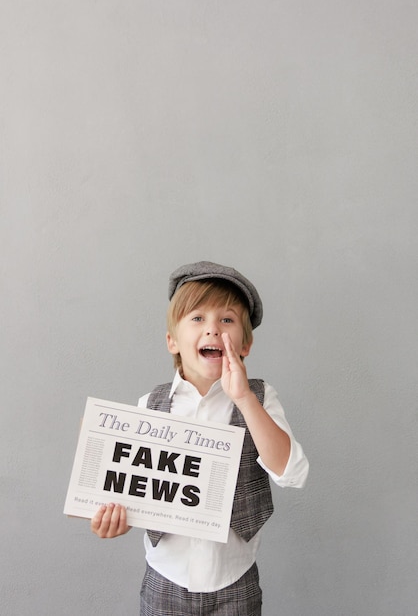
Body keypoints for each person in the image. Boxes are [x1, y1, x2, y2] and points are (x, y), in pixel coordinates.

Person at [91, 261, 309, 615]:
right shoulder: (151, 406)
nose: (212, 330)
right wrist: (113, 518)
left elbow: (293, 473)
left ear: (245, 345)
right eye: (197, 318)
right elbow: (134, 487)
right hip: (164, 580)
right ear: (172, 341)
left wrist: (243, 399)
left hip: (235, 584)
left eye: (227, 320)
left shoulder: (260, 398)